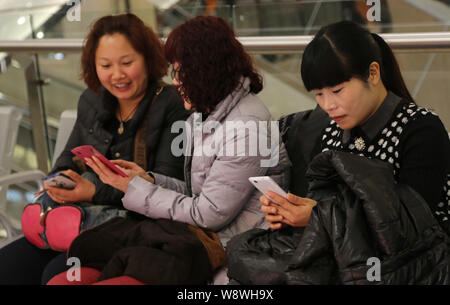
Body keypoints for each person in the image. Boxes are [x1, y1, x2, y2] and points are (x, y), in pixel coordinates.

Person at [47, 15, 291, 285]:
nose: (176, 81)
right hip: (196, 235)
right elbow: (198, 194)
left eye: (180, 71)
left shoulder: (246, 127)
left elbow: (207, 213)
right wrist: (146, 180)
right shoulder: (208, 112)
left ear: (205, 72)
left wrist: (134, 189)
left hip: (228, 245)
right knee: (80, 262)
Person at [0, 13, 190, 285]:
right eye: (105, 65)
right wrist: (60, 181)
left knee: (53, 275)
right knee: (6, 268)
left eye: (127, 63)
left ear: (148, 59)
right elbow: (67, 157)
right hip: (75, 220)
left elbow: (170, 183)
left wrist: (94, 191)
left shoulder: (172, 105)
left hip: (132, 227)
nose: (117, 75)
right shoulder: (92, 99)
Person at [260, 20, 450, 235]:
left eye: (338, 90)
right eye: (319, 94)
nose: (328, 105)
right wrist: (294, 214)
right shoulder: (331, 132)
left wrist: (319, 218)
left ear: (373, 73)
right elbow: (320, 203)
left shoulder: (421, 130)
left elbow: (409, 221)